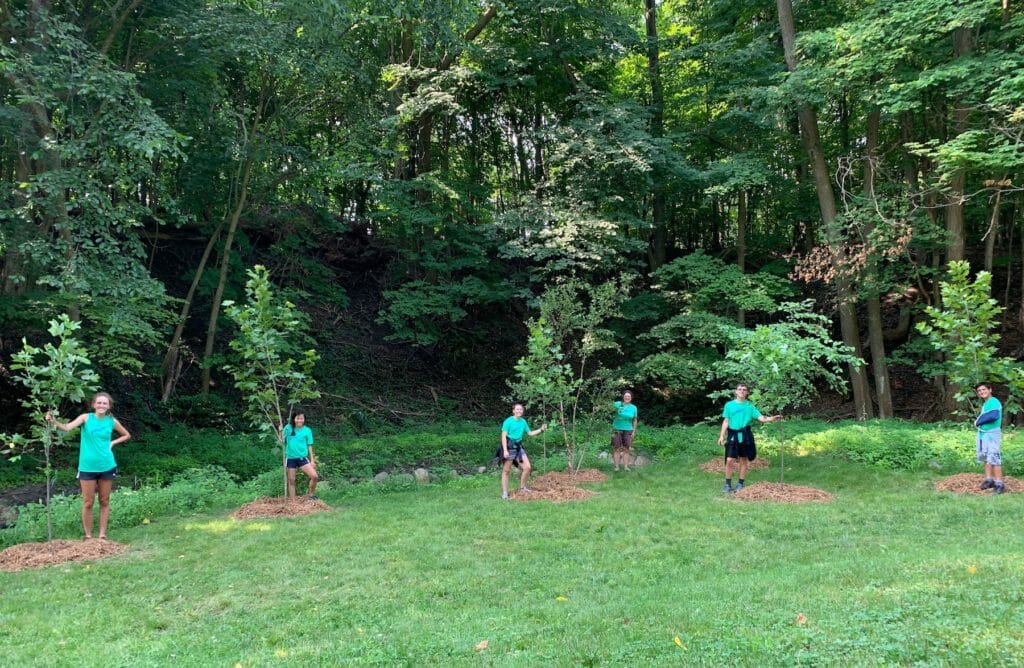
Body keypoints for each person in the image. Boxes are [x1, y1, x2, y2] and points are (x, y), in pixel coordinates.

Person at [46, 392, 131, 540]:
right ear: (93, 405)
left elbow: (126, 435)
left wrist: (112, 443)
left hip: (107, 465)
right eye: (99, 403)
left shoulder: (112, 421)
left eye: (105, 403)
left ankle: (102, 535)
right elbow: (66, 427)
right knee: (88, 502)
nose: (101, 405)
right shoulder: (86, 418)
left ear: (109, 406)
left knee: (104, 501)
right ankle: (88, 536)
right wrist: (53, 421)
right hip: (87, 467)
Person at [716, 383, 781, 493]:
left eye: (744, 389)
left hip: (745, 435)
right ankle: (727, 484)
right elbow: (726, 421)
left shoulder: (750, 406)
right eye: (740, 389)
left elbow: (761, 418)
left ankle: (740, 483)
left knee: (743, 460)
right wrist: (722, 435)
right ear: (736, 391)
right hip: (733, 435)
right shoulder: (729, 405)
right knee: (729, 459)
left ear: (746, 393)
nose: (742, 391)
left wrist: (771, 418)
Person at [499, 403, 547, 499]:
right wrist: (505, 450)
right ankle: (504, 493)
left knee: (527, 467)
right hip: (509, 447)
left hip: (518, 447)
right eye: (517, 409)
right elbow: (503, 436)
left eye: (521, 409)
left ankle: (522, 488)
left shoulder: (523, 422)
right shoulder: (508, 421)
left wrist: (541, 430)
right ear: (513, 411)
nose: (519, 411)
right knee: (506, 471)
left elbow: (530, 433)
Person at [280, 411, 320, 500]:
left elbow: (309, 445)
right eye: (298, 418)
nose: (300, 420)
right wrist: (280, 431)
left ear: (304, 419)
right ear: (294, 419)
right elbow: (282, 440)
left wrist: (312, 460)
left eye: (301, 418)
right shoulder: (288, 428)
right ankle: (293, 502)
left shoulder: (307, 430)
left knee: (314, 476)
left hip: (302, 458)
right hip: (290, 458)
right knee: (291, 480)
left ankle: (311, 496)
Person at [974, 382, 1004, 494]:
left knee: (994, 457)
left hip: (992, 434)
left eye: (984, 389)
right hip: (984, 434)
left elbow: (993, 415)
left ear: (990, 390)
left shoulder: (994, 401)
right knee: (986, 456)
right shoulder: (986, 404)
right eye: (979, 391)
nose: (982, 392)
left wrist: (978, 421)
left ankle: (999, 484)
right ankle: (989, 480)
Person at [611, 391, 638, 471]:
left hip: (628, 430)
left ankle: (626, 467)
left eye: (629, 396)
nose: (627, 397)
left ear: (631, 398)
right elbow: (607, 407)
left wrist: (634, 431)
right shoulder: (617, 404)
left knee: (626, 449)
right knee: (616, 448)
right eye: (626, 396)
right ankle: (616, 467)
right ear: (623, 397)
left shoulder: (634, 407)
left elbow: (634, 420)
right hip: (616, 429)